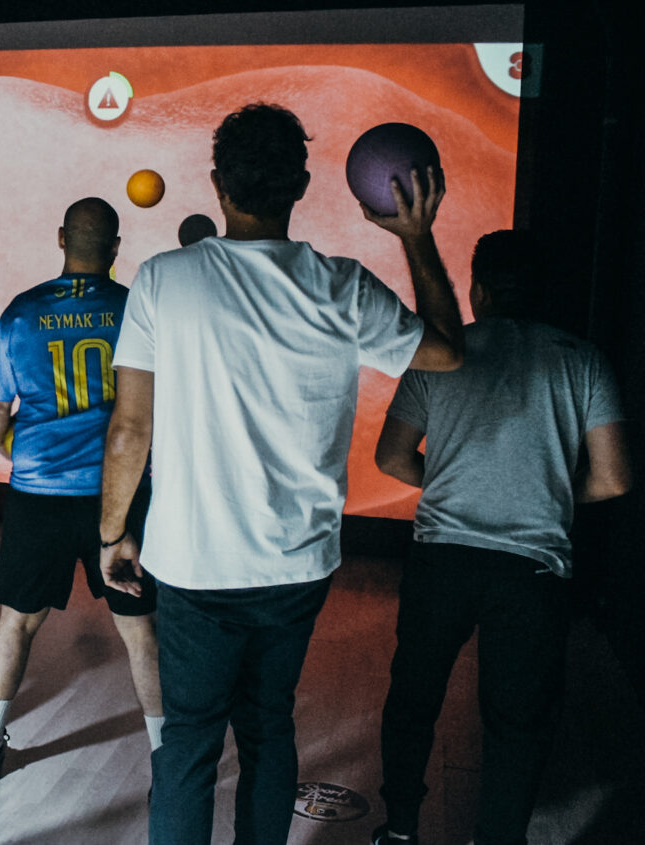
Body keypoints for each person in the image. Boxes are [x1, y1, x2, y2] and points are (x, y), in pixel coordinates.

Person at [98, 102, 464, 845]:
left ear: (217, 184)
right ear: (299, 186)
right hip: (295, 566)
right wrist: (417, 239)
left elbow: (131, 429)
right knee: (268, 729)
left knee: (189, 744)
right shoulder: (342, 285)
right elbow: (449, 351)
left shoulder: (163, 280)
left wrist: (111, 534)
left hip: (193, 566)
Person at [370, 229, 632, 845]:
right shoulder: (583, 358)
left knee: (413, 700)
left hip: (442, 563)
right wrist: (548, 492)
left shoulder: (442, 353)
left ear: (478, 290)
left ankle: (401, 829)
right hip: (533, 573)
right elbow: (616, 479)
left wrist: (457, 480)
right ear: (542, 292)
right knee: (517, 724)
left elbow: (391, 457)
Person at [0, 196, 163, 783]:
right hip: (119, 496)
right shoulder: (135, 309)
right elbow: (156, 409)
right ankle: (164, 754)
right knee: (139, 630)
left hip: (37, 495)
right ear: (115, 248)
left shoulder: (22, 312)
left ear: (61, 239)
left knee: (17, 623)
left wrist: (28, 459)